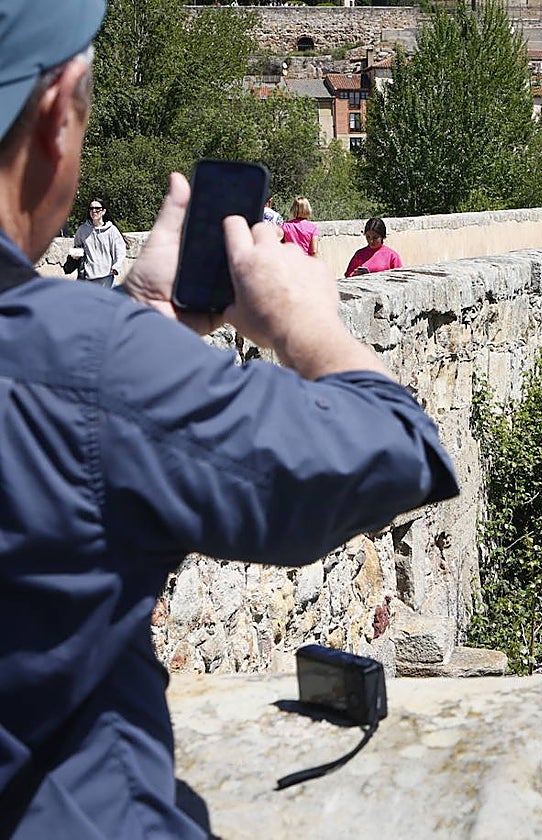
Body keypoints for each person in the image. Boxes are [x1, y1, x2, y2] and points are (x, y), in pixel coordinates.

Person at [0, 2, 459, 836]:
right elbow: (394, 451)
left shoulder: (84, 364)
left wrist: (141, 323)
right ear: (55, 113)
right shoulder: (82, 368)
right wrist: (306, 324)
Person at [72, 197, 126, 287]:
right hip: (88, 278)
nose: (94, 211)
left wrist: (117, 266)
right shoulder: (82, 230)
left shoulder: (111, 230)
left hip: (107, 277)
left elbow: (120, 250)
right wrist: (75, 255)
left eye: (97, 209)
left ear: (103, 211)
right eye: (91, 208)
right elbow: (76, 246)